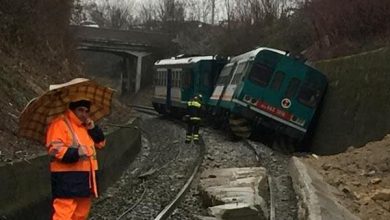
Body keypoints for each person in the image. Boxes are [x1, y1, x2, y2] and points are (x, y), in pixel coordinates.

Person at [45, 99, 106, 220]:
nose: (84, 114)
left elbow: (101, 144)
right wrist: (76, 153)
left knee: (81, 215)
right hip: (66, 179)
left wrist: (93, 129)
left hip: (85, 178)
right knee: (64, 214)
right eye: (80, 110)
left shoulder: (85, 127)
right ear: (72, 110)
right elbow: (55, 149)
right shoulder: (60, 124)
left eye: (86, 111)